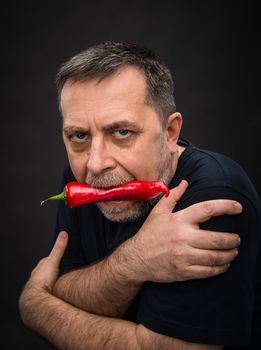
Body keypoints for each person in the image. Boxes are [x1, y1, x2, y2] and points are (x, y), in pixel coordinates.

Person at [19, 42, 260, 349]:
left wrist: (36, 307)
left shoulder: (213, 195)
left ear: (170, 132)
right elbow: (64, 286)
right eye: (79, 136)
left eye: (122, 132)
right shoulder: (78, 183)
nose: (95, 163)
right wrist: (133, 262)